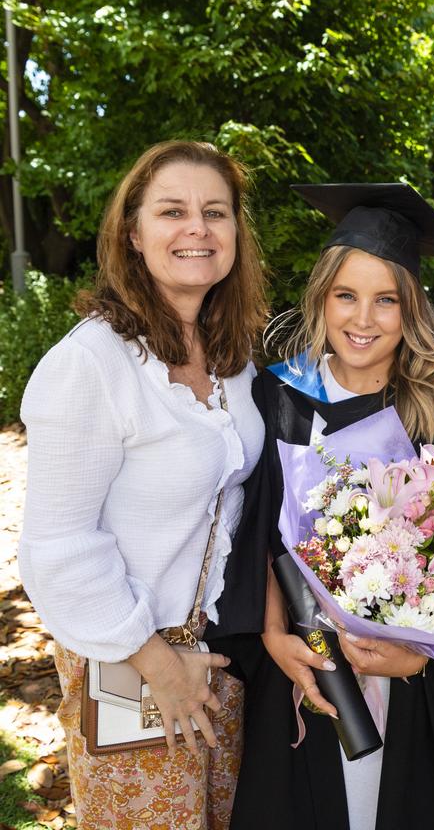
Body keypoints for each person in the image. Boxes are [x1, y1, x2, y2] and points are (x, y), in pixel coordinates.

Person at [206, 183, 434, 830]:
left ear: (411, 308)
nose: (362, 319)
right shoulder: (277, 395)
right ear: (321, 298)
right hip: (300, 669)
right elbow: (257, 531)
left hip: (409, 685)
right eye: (346, 295)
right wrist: (272, 635)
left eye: (386, 300)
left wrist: (421, 656)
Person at [19, 140, 269, 830]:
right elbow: (58, 547)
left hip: (216, 661)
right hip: (127, 661)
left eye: (215, 212)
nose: (198, 229)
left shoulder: (234, 360)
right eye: (173, 211)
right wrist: (157, 662)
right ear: (133, 234)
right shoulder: (92, 365)